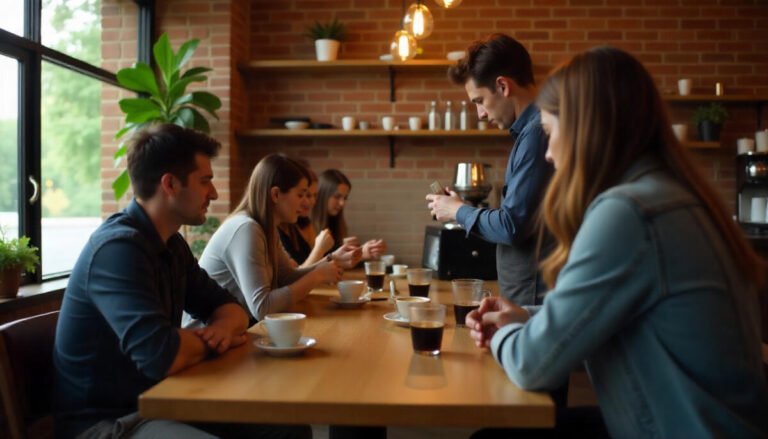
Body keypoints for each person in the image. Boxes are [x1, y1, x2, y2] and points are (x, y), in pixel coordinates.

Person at [468, 47, 768, 438]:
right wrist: (526, 316)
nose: (548, 154)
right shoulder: (671, 194)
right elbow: (609, 311)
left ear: (583, 130)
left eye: (550, 133)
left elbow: (529, 363)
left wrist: (498, 335)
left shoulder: (628, 213)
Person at [53, 124, 310, 439]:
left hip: (165, 399)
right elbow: (162, 356)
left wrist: (209, 335)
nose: (214, 193)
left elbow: (233, 310)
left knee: (287, 430)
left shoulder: (171, 245)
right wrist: (217, 338)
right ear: (170, 184)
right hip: (110, 424)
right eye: (205, 182)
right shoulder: (117, 250)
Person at [426, 33, 553, 306]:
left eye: (479, 101)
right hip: (529, 298)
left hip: (533, 301)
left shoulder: (535, 135)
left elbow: (511, 226)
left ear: (502, 86)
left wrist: (457, 211)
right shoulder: (530, 133)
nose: (481, 114)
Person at [199, 154, 343, 325]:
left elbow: (286, 278)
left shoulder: (265, 227)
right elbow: (262, 308)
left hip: (237, 333)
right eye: (300, 195)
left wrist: (329, 262)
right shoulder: (246, 228)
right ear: (275, 194)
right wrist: (317, 276)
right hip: (209, 341)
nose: (305, 203)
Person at [278, 162, 361, 269]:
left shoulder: (294, 226)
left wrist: (342, 254)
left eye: (313, 196)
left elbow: (301, 271)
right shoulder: (299, 225)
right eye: (302, 195)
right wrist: (321, 249)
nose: (311, 201)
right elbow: (295, 276)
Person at [313, 169, 386, 260]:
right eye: (337, 196)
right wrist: (347, 251)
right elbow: (313, 266)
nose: (342, 203)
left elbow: (337, 263)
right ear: (322, 195)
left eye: (345, 198)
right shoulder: (306, 226)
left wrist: (359, 252)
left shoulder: (335, 222)